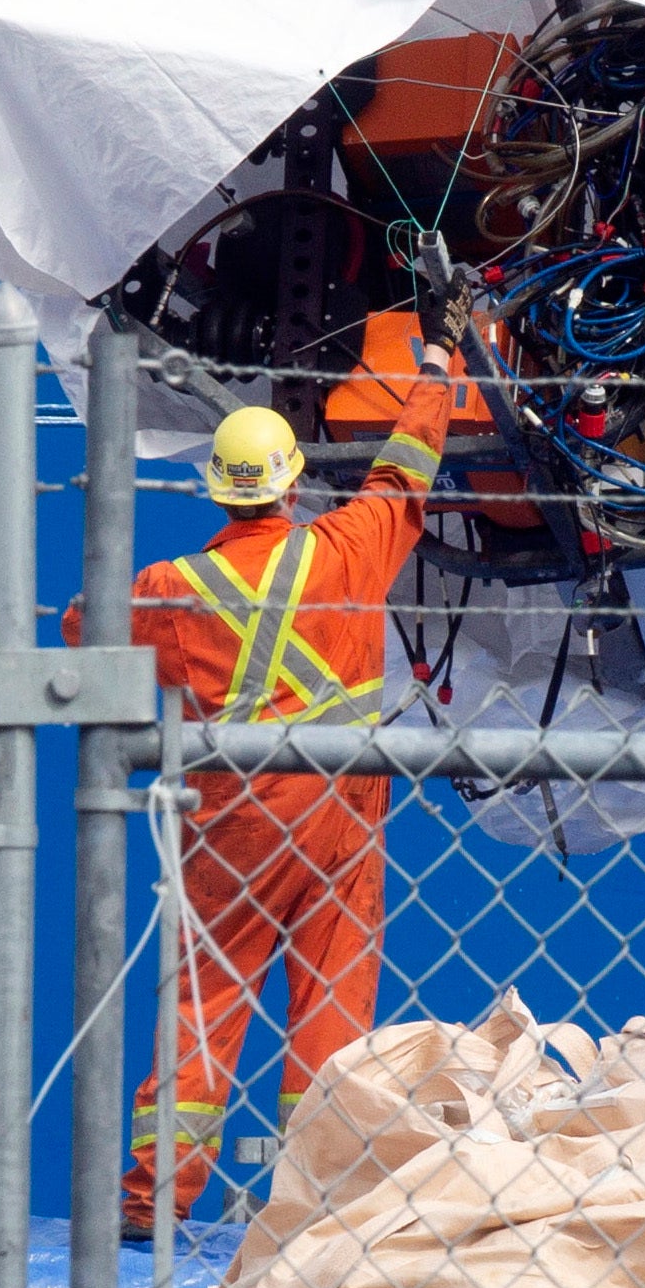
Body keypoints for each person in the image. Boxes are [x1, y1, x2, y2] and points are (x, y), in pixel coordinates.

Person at [78, 282, 468, 1234]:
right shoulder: (345, 548)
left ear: (216, 489)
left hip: (235, 818)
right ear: (293, 484)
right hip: (342, 809)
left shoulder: (175, 587)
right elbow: (404, 475)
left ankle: (150, 1207)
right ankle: (322, 1202)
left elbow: (84, 632)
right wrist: (439, 364)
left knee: (205, 1003)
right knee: (334, 1004)